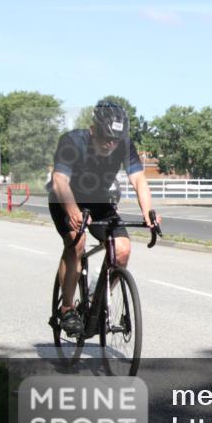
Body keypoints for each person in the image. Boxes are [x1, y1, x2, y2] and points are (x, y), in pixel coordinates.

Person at [48, 101, 159, 336]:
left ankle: (97, 301)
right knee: (76, 243)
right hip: (64, 198)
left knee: (122, 250)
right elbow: (59, 181)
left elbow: (139, 180)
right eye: (106, 138)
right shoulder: (73, 141)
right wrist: (73, 212)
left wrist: (148, 212)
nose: (111, 144)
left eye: (116, 139)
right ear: (93, 130)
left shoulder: (123, 145)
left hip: (98, 200)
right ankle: (67, 308)